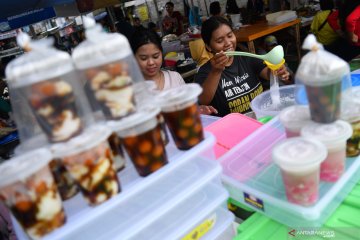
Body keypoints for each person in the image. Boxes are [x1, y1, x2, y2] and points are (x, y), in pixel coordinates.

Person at [194, 17, 292, 117]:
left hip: (260, 118)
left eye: (230, 35)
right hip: (233, 128)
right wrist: (216, 72)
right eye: (220, 41)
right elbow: (202, 100)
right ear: (209, 47)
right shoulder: (205, 72)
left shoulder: (247, 58)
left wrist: (278, 71)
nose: (228, 43)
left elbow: (267, 73)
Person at [130, 29, 217, 115]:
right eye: (143, 58)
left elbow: (188, 109)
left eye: (155, 56)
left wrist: (198, 110)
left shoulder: (174, 78)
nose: (151, 63)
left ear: (161, 53)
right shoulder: (131, 89)